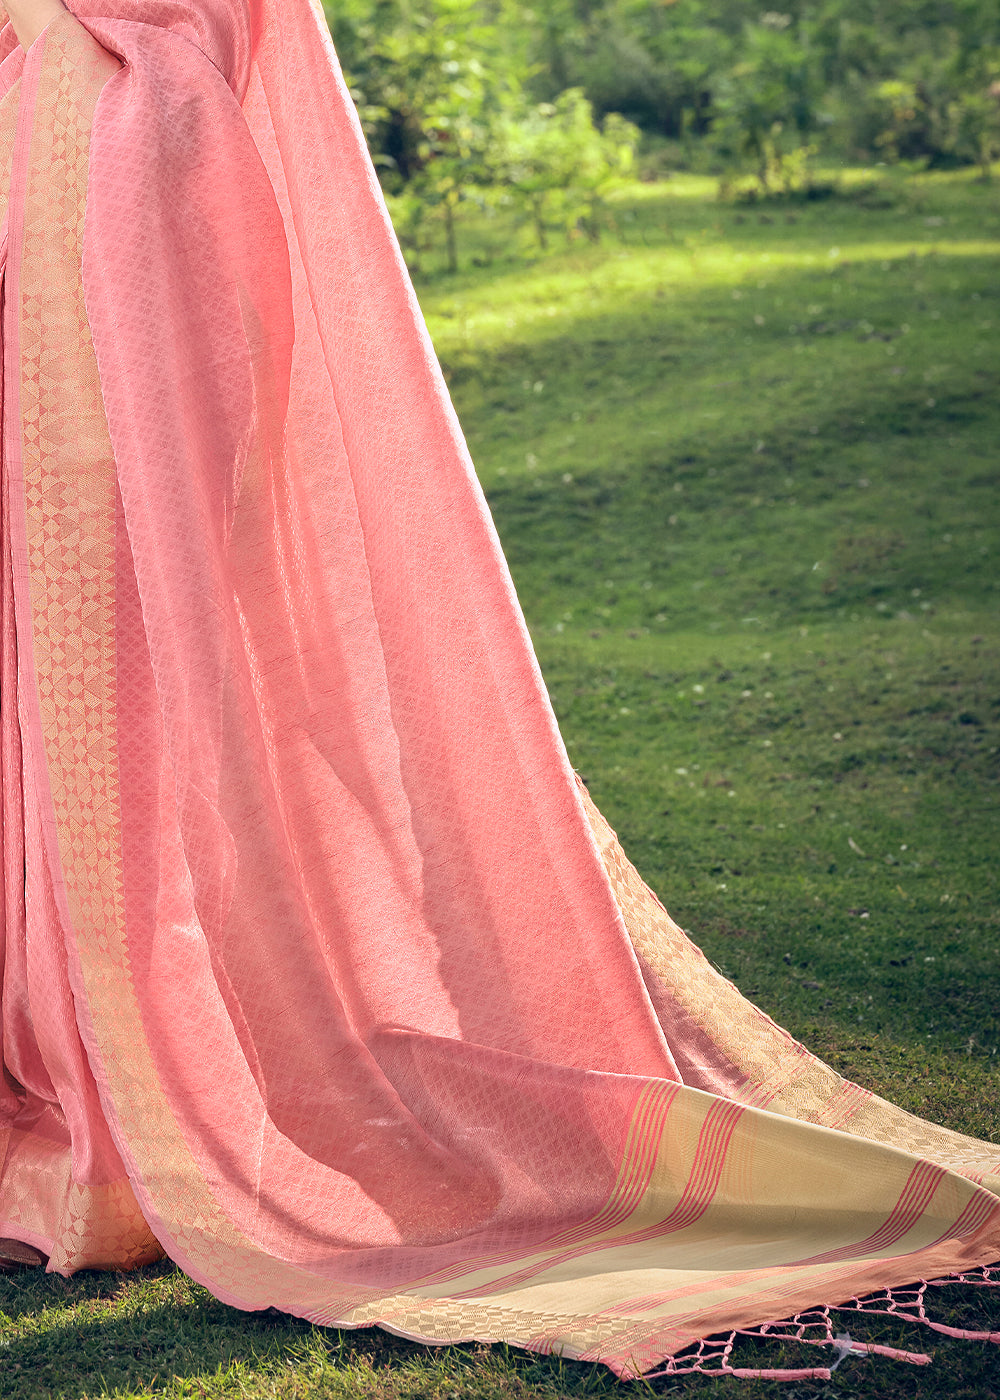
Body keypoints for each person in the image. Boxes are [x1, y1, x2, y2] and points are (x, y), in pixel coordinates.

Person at [0, 0, 996, 1380]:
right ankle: (93, 1083)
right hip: (41, 191)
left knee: (138, 707)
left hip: (107, 201)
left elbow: (219, 40)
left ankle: (143, 1118)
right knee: (68, 701)